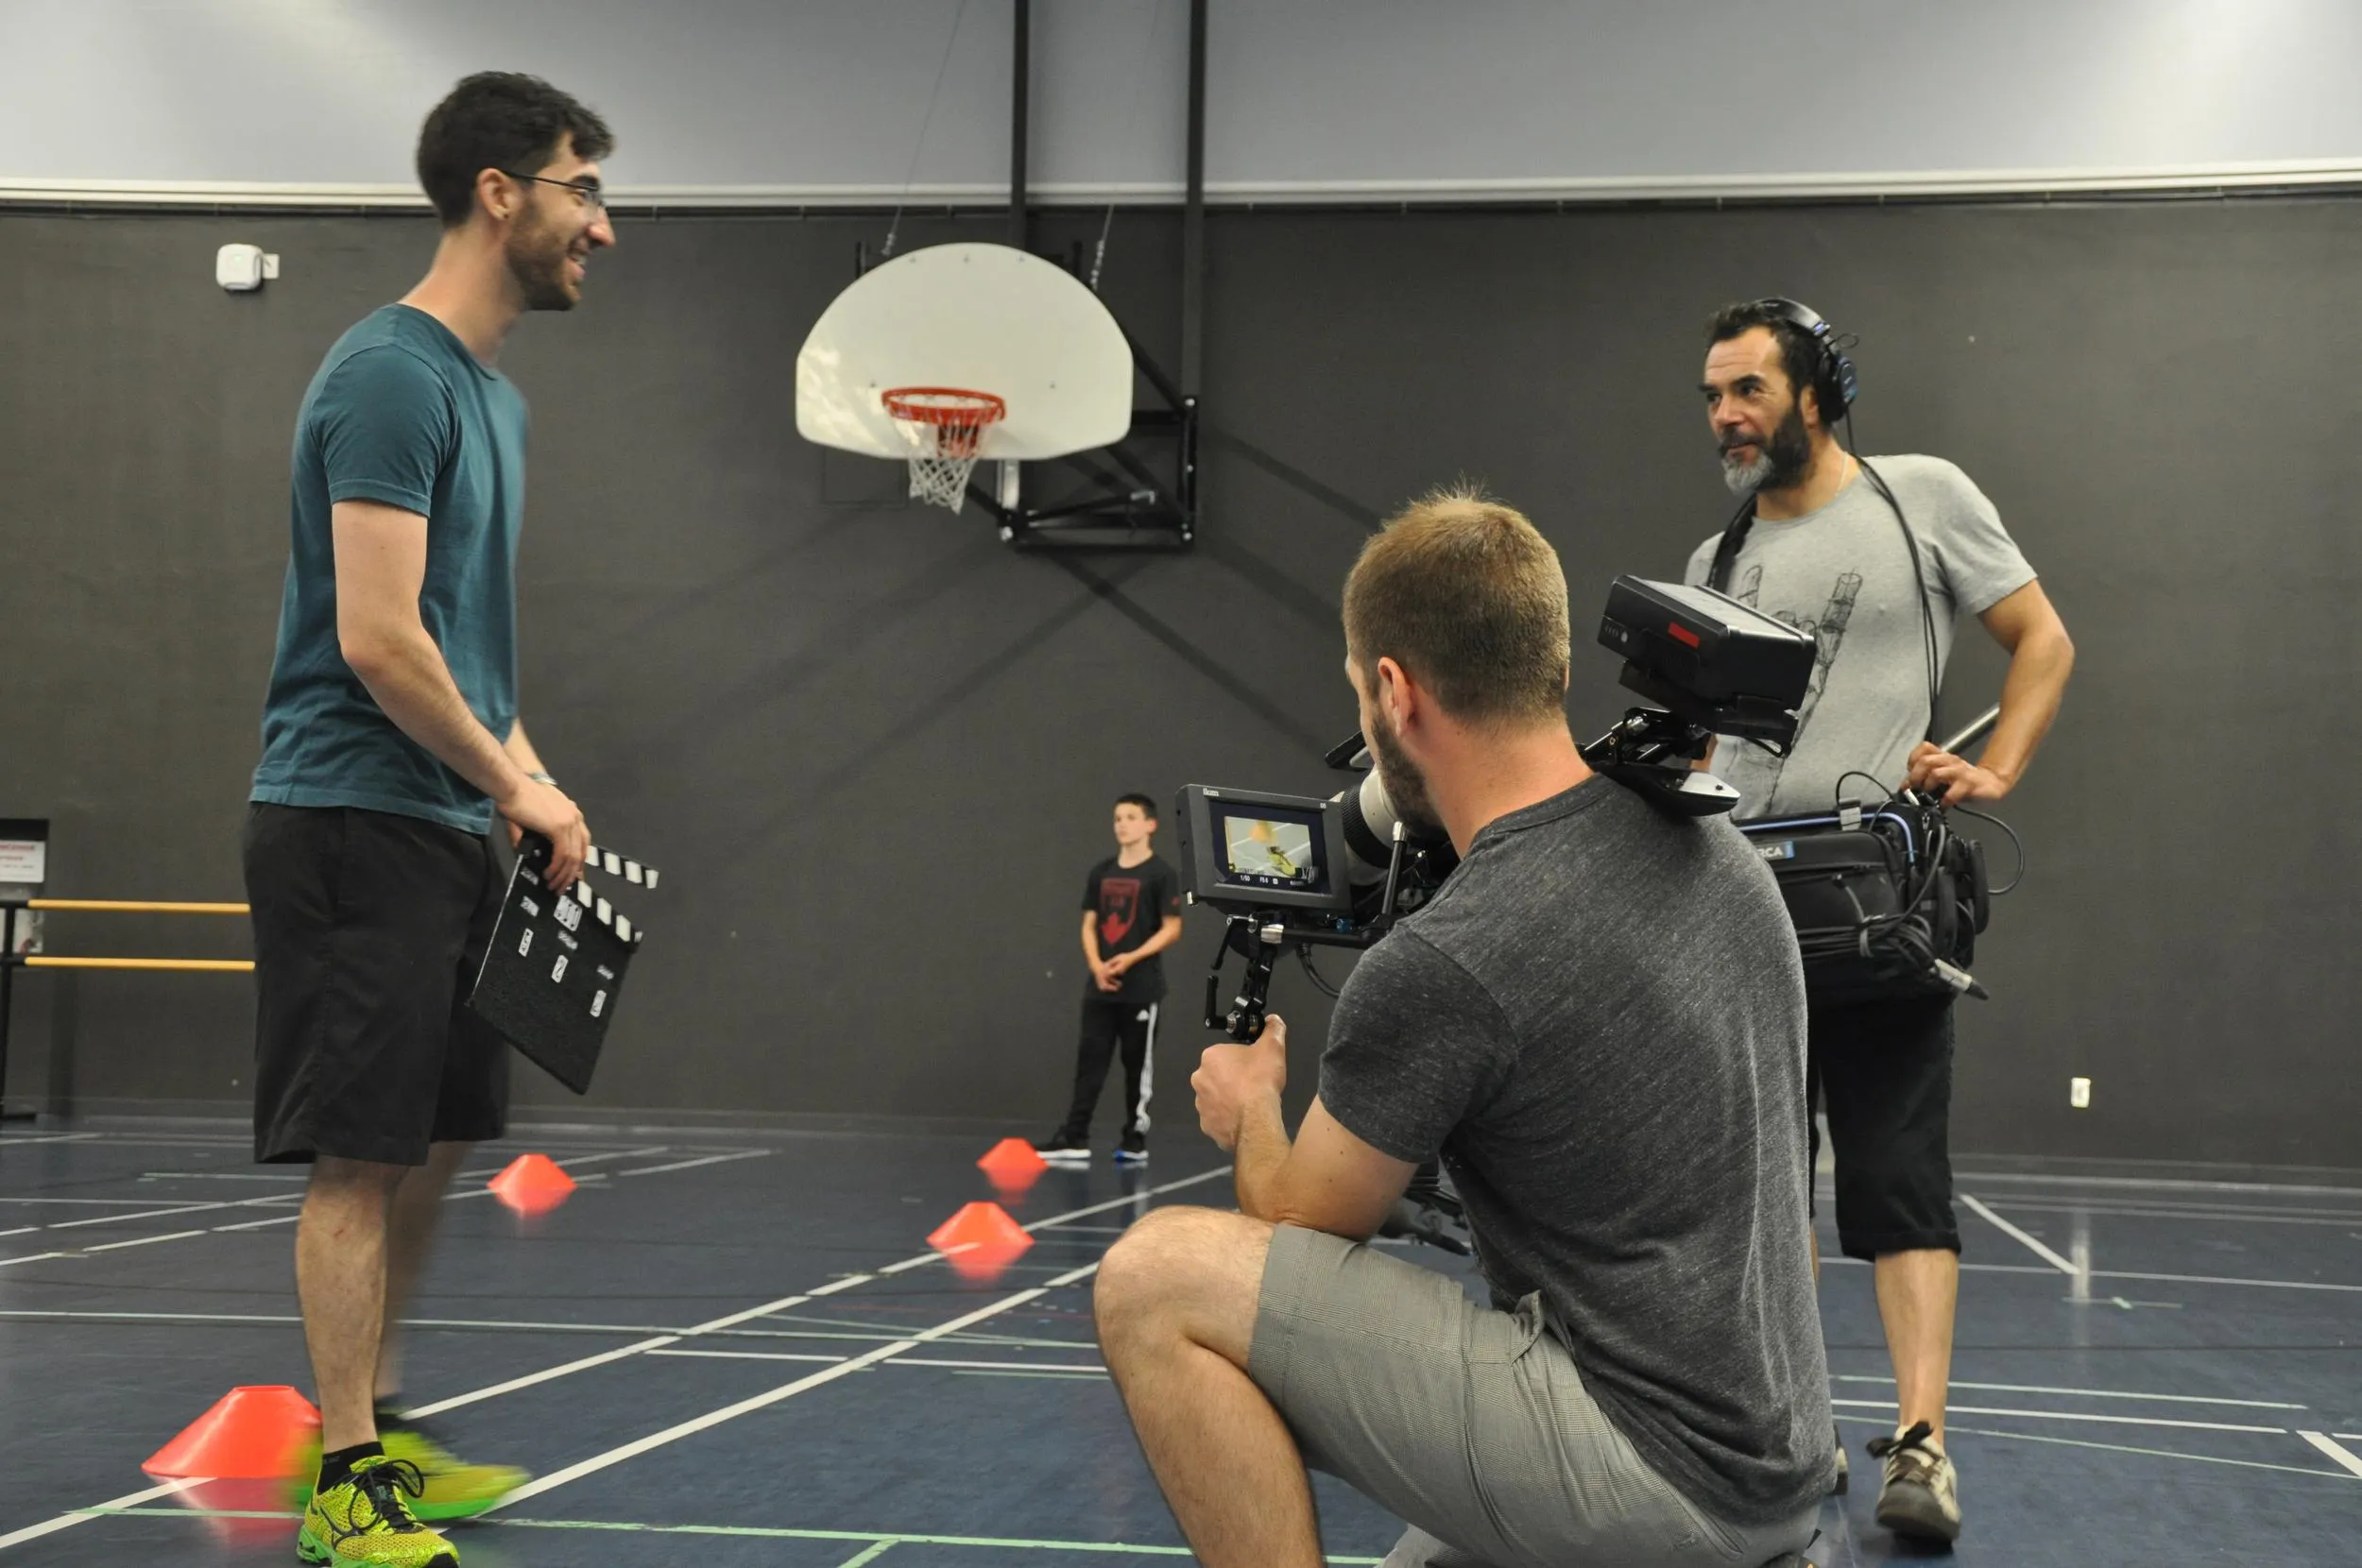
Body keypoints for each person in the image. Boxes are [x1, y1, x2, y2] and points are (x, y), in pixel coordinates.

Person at [1092, 488, 1832, 1568]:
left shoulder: (1450, 954)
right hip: (1779, 1461)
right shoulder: (1724, 860)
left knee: (1152, 1277)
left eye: (1361, 692)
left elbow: (1298, 1221)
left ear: (1392, 691)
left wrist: (1251, 1108)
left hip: (1654, 1473)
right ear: (1555, 668)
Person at [243, 72, 616, 1568]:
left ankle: (379, 1433)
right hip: (349, 814)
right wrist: (507, 781)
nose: (605, 224)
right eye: (584, 188)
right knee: (358, 1155)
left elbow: (459, 653)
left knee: (438, 1137)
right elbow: (379, 641)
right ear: (499, 192)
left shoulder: (496, 400)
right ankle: (343, 1481)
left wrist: (535, 783)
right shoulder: (387, 376)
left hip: (447, 816)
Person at [1686, 298, 2076, 1543]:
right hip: (1739, 907)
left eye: (1747, 390)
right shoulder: (1715, 560)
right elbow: (1704, 747)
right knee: (1760, 1196)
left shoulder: (1921, 500)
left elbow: (2043, 641)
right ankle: (1791, 1432)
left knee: (1901, 1180)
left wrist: (1997, 768)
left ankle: (1921, 1446)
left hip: (1880, 908)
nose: (1725, 416)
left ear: (1815, 394)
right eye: (1711, 396)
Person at [1036, 793, 1185, 1165]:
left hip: (1141, 990)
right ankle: (1075, 1136)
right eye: (1118, 817)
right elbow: (1089, 925)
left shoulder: (1162, 874)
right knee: (1090, 1063)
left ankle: (1135, 1138)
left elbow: (1172, 928)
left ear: (1150, 825)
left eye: (1131, 817)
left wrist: (1131, 957)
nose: (1122, 823)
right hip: (1101, 989)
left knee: (1138, 1068)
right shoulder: (1101, 872)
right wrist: (1097, 966)